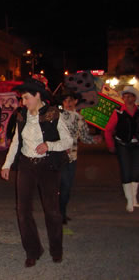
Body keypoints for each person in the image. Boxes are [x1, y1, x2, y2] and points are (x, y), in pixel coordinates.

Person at [0, 78, 72, 267]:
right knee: (23, 211)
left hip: (48, 166)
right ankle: (33, 250)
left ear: (38, 95)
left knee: (52, 211)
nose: (23, 102)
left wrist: (49, 145)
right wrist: (6, 165)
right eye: (22, 99)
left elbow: (68, 141)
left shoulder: (53, 114)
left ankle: (56, 249)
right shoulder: (22, 115)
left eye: (26, 98)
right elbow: (16, 141)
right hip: (26, 165)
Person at [58, 90, 102, 223]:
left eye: (71, 100)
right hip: (59, 155)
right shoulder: (57, 116)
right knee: (63, 184)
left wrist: (95, 139)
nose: (68, 103)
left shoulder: (79, 118)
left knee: (67, 187)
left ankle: (62, 212)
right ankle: (59, 213)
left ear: (76, 101)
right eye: (65, 101)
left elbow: (84, 137)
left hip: (72, 156)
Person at [104, 85, 139, 212]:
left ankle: (134, 198)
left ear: (134, 98)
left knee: (136, 172)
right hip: (122, 144)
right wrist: (111, 145)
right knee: (126, 171)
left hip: (136, 145)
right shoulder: (118, 111)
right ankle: (129, 200)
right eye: (125, 96)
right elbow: (108, 130)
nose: (127, 98)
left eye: (129, 95)